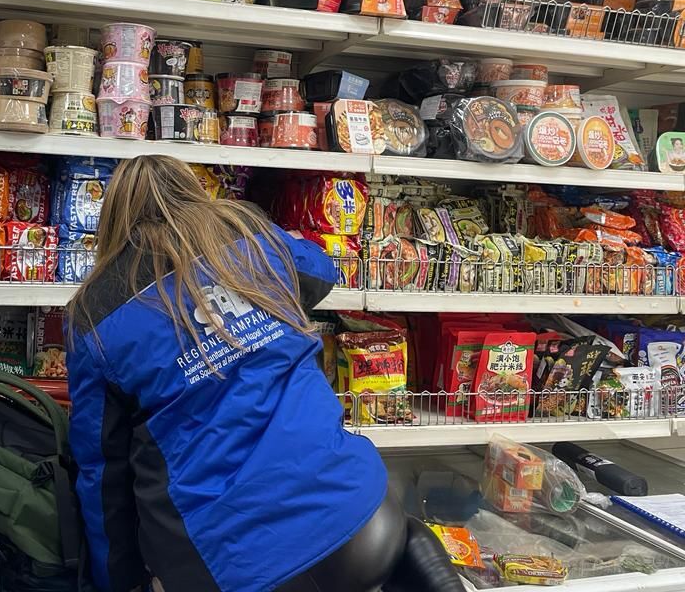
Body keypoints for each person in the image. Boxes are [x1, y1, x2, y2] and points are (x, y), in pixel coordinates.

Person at [66, 155, 463, 592]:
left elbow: (102, 475)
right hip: (365, 526)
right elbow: (321, 270)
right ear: (193, 192)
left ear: (112, 219)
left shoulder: (92, 313)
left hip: (228, 565)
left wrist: (116, 582)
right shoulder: (245, 232)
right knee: (399, 529)